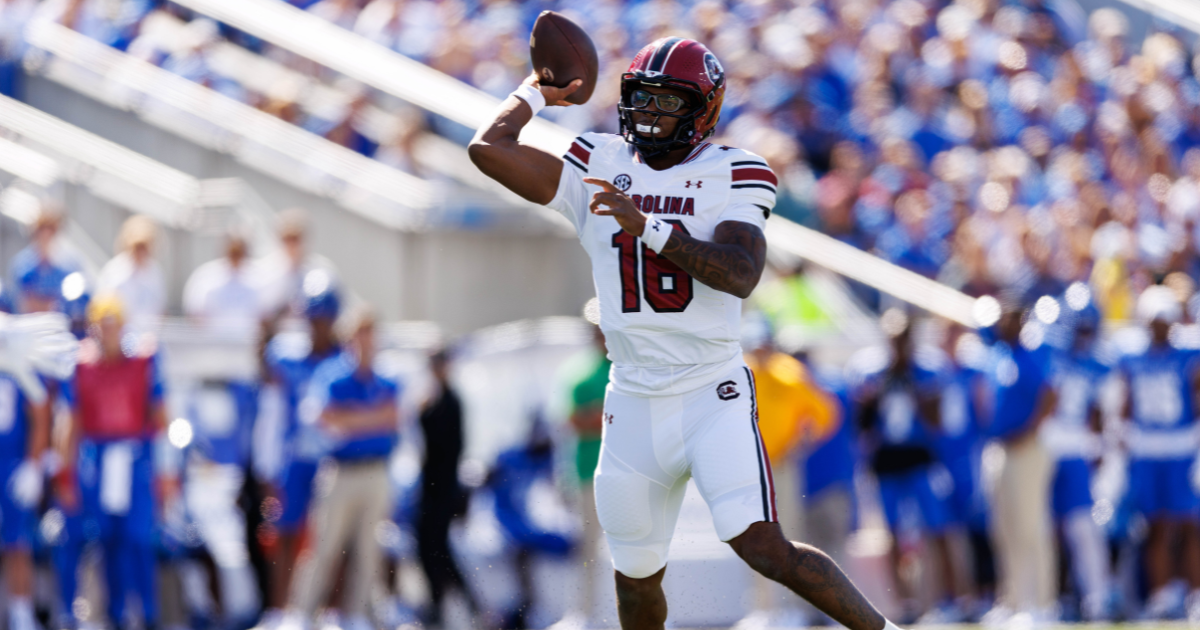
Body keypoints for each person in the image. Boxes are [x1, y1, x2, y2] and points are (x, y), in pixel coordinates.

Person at [469, 37, 892, 630]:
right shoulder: (598, 160)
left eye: (667, 103)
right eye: (641, 99)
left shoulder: (734, 172)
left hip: (709, 391)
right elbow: (489, 147)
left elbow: (741, 275)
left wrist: (650, 227)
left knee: (764, 547)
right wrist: (535, 92)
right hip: (633, 396)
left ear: (704, 112)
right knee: (636, 577)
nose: (648, 114)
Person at [52, 294, 173, 629]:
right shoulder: (81, 364)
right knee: (103, 538)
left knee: (138, 537)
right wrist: (65, 473)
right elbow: (70, 422)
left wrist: (167, 472)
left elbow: (161, 417)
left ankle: (147, 612)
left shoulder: (144, 361)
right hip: (98, 457)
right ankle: (115, 612)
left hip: (135, 456)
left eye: (113, 325)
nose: (108, 333)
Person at [287, 308, 399, 630]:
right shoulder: (332, 374)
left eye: (371, 332)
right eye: (360, 333)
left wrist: (352, 418)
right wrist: (370, 418)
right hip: (340, 471)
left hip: (376, 471)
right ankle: (303, 615)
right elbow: (326, 418)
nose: (366, 340)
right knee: (323, 547)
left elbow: (392, 419)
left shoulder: (386, 378)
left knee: (369, 551)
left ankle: (357, 615)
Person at [849, 311, 961, 623]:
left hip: (919, 456)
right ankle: (905, 602)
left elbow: (938, 421)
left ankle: (946, 599)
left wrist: (914, 386)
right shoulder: (871, 371)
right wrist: (874, 396)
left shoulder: (928, 369)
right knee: (893, 533)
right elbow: (862, 425)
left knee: (937, 528)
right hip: (886, 460)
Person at [737, 316, 836, 629]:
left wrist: (802, 440)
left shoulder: (789, 371)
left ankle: (790, 609)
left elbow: (824, 412)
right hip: (748, 464)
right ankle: (762, 609)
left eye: (764, 345)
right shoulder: (739, 372)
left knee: (787, 535)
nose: (761, 352)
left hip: (782, 466)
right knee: (752, 535)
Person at [259, 271, 343, 627]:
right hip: (295, 458)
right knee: (286, 533)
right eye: (312, 318)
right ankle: (282, 611)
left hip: (334, 460)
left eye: (323, 319)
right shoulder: (289, 357)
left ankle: (331, 612)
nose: (317, 326)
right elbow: (263, 361)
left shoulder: (344, 360)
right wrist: (274, 316)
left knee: (333, 538)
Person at [1119, 286, 1200, 620]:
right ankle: (1162, 594)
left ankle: (1195, 595)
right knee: (1155, 527)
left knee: (1190, 525)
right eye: (1153, 322)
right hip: (1147, 450)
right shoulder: (1132, 356)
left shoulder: (1188, 354)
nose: (1159, 328)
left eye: (1163, 321)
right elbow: (1125, 404)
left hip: (1182, 447)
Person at [984, 303, 1058, 623]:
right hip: (1001, 448)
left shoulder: (1033, 355)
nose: (1006, 324)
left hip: (1026, 449)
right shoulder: (999, 356)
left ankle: (1042, 603)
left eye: (1012, 318)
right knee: (1004, 529)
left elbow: (1051, 396)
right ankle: (1013, 601)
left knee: (1031, 528)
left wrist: (1029, 431)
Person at [1041, 297, 1111, 621]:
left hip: (1075, 450)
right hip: (1046, 448)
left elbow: (1097, 412)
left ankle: (1096, 599)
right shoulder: (1048, 354)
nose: (1084, 334)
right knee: (1047, 530)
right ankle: (1054, 599)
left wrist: (1098, 446)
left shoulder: (1095, 363)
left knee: (1082, 528)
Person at [551, 310, 608, 629]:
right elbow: (573, 421)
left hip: (628, 475)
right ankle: (583, 614)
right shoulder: (579, 373)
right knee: (588, 548)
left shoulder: (628, 368)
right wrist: (605, 417)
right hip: (588, 472)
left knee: (639, 547)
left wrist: (598, 417)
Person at [415, 348, 481, 628]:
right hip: (430, 486)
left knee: (437, 549)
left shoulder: (451, 401)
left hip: (442, 488)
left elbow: (450, 446)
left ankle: (461, 603)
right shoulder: (434, 399)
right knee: (428, 548)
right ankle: (444, 604)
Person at [0, 350, 51, 630]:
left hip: (11, 463)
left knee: (17, 542)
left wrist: (33, 464)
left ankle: (21, 611)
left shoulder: (19, 363)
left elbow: (41, 411)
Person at [97, 215, 166, 336]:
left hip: (148, 339)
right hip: (120, 340)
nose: (141, 253)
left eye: (145, 247)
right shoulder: (114, 271)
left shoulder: (155, 272)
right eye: (138, 247)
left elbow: (159, 309)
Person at [10, 206, 80, 315]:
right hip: (28, 324)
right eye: (41, 229)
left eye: (51, 229)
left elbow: (67, 301)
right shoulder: (23, 262)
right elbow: (24, 302)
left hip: (57, 325)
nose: (46, 235)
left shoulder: (68, 263)